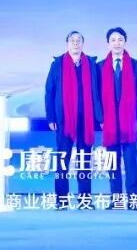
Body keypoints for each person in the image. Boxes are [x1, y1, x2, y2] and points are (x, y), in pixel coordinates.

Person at [44, 30, 102, 208]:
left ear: (83, 43)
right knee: (63, 159)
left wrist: (100, 117)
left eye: (78, 40)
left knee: (84, 160)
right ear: (67, 43)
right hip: (64, 120)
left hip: (86, 120)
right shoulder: (58, 64)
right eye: (72, 40)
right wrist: (51, 117)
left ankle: (85, 200)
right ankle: (61, 200)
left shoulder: (91, 64)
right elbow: (49, 92)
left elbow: (98, 92)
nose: (75, 43)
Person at [99, 27, 137, 209]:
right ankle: (116, 200)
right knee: (112, 163)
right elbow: (96, 96)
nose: (117, 43)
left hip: (129, 120)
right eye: (113, 40)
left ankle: (133, 200)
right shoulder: (100, 66)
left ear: (125, 42)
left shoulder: (136, 65)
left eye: (120, 39)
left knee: (130, 163)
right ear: (108, 44)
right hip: (109, 121)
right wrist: (100, 118)